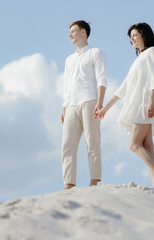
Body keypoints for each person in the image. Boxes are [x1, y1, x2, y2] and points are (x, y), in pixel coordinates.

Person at [94, 23, 154, 188]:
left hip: (144, 103)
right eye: (130, 37)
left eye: (135, 35)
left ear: (144, 35)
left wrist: (151, 100)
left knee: (134, 144)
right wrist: (105, 109)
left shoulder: (152, 52)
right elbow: (124, 87)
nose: (132, 39)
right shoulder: (139, 59)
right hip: (138, 103)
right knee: (147, 145)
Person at [61, 20, 107, 190]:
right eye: (69, 31)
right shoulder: (69, 59)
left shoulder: (96, 52)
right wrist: (64, 107)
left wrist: (100, 102)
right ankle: (69, 183)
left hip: (90, 101)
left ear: (83, 32)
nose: (70, 34)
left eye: (73, 31)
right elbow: (66, 85)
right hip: (71, 104)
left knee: (92, 142)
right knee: (67, 145)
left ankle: (94, 181)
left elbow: (102, 78)